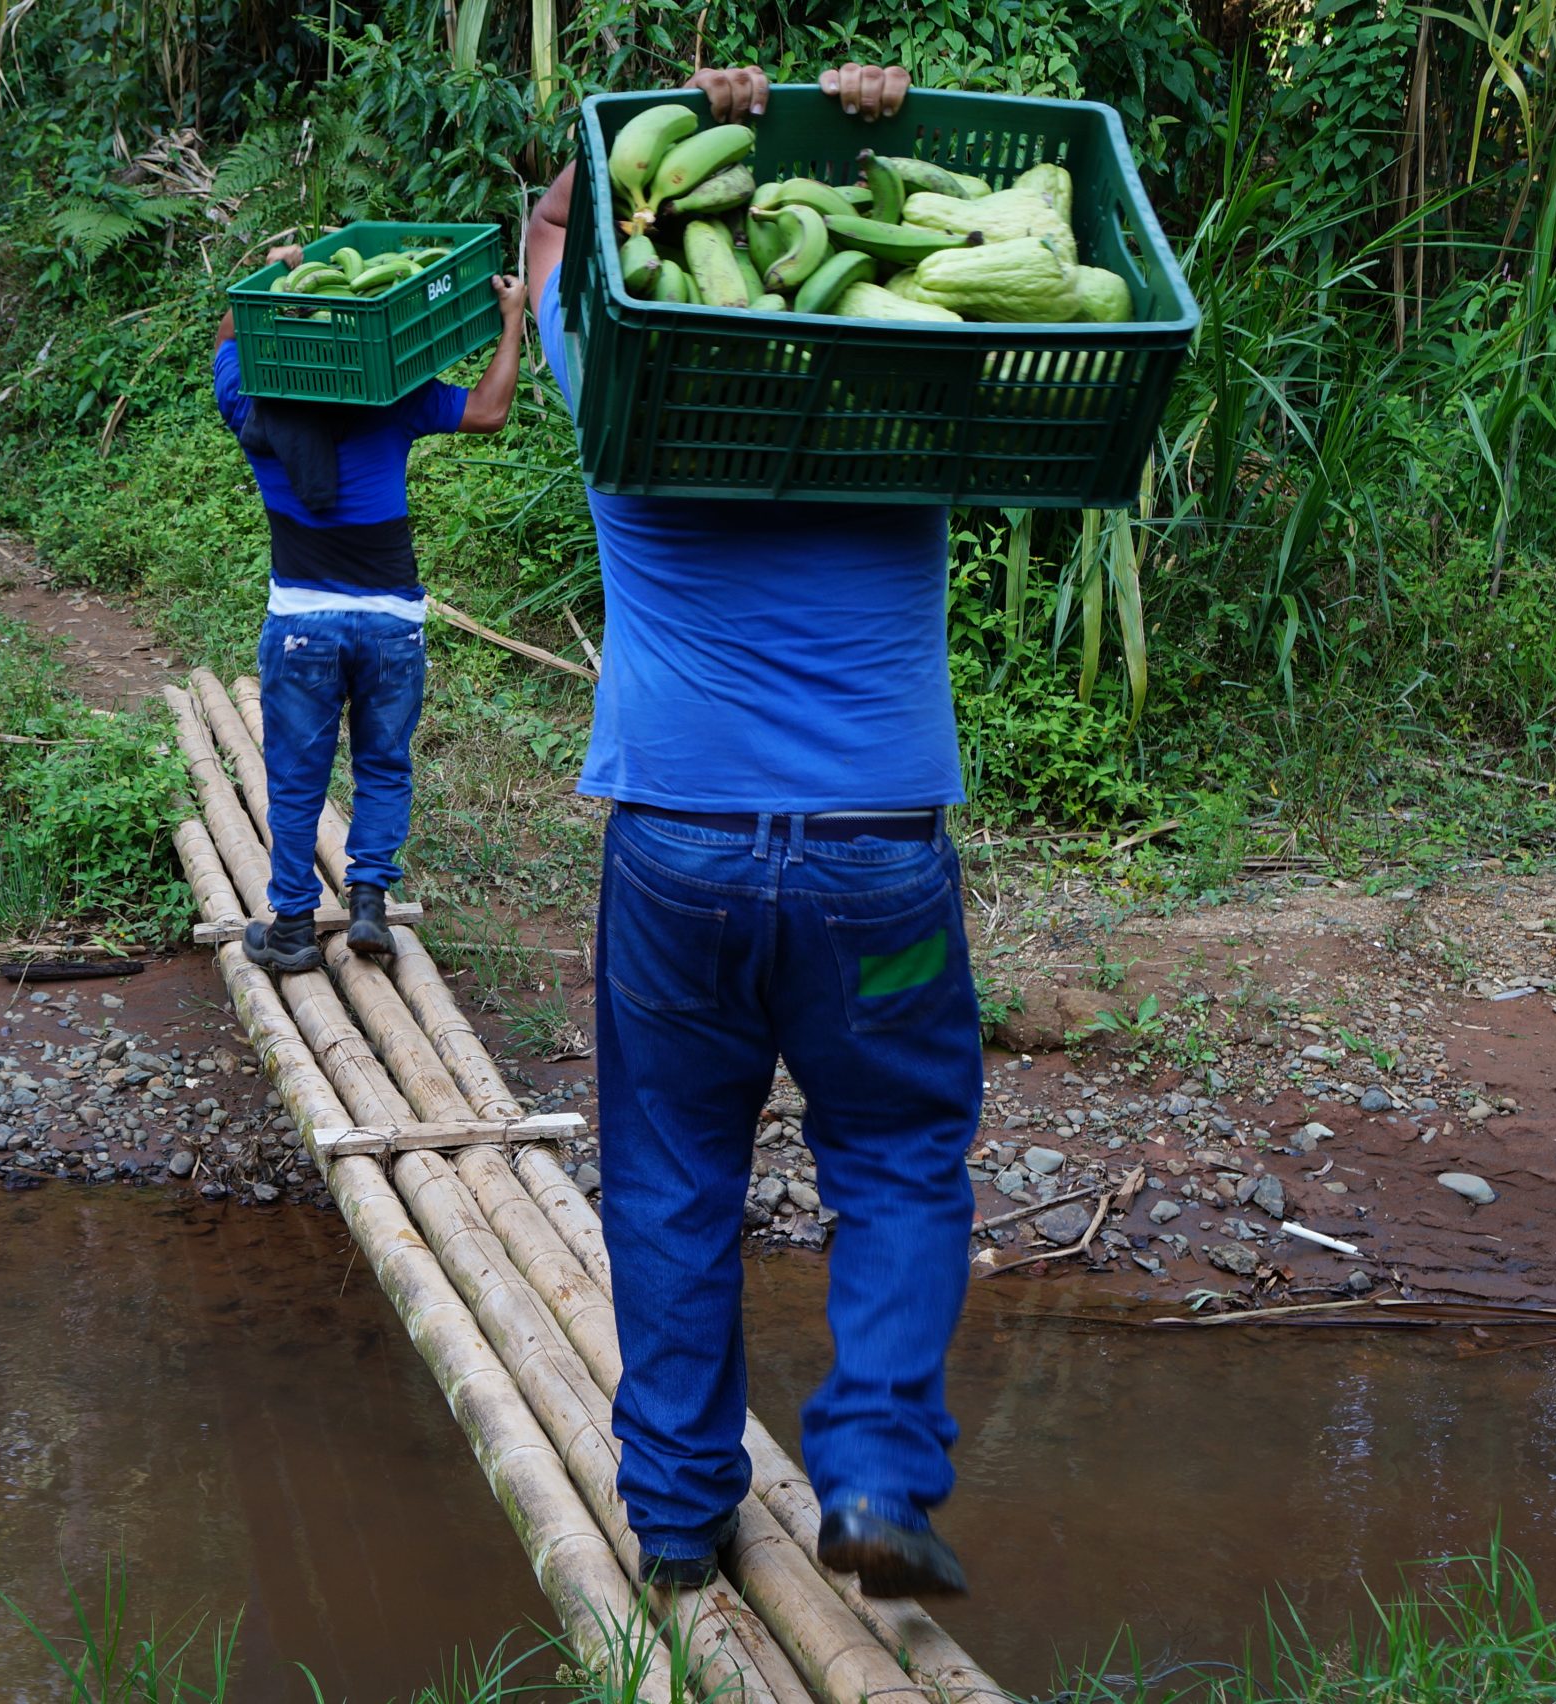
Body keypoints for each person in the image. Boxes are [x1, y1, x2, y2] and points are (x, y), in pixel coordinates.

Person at [522, 61, 981, 1598]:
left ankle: (672, 1518)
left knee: (670, 1173)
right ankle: (870, 1483)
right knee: (901, 1160)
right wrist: (856, 126)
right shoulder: (916, 390)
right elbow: (971, 253)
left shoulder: (627, 394)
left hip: (680, 850)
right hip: (880, 852)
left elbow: (557, 245)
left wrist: (711, 110)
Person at [214, 248, 528, 972]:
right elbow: (490, 411)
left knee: (297, 777)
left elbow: (230, 334)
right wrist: (512, 320)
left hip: (301, 627)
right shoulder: (392, 398)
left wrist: (274, 277)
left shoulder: (251, 406)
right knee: (383, 765)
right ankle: (368, 911)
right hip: (392, 624)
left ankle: (292, 929)